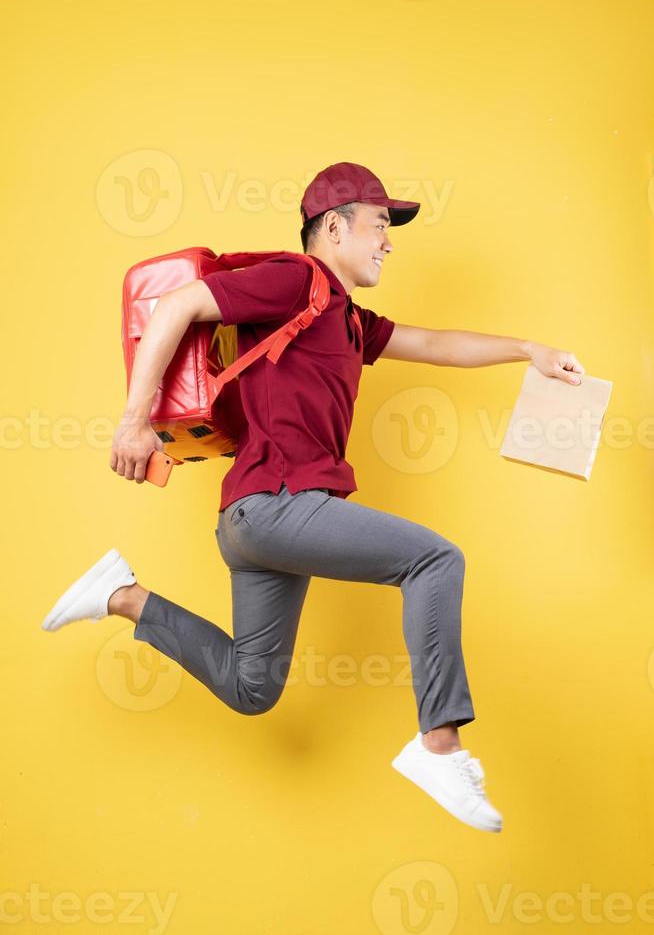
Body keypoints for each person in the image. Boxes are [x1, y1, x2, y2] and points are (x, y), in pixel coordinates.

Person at [41, 161, 585, 833]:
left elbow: (436, 343)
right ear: (334, 226)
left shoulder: (346, 320)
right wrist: (134, 421)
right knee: (435, 561)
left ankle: (122, 595)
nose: (388, 240)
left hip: (255, 521)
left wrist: (530, 350)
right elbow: (181, 305)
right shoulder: (299, 279)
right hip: (278, 504)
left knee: (251, 688)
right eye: (380, 224)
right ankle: (439, 744)